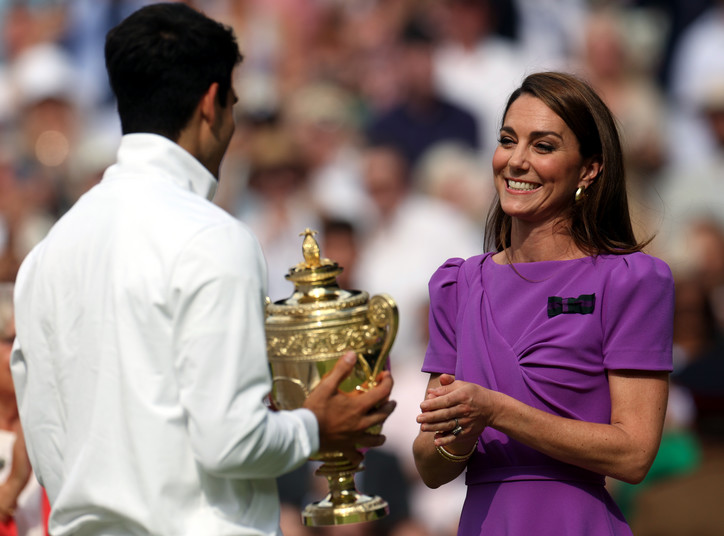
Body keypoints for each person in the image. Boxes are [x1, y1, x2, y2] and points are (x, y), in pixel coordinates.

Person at [9, 4, 394, 536]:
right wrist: (316, 427)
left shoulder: (45, 256)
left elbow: (50, 446)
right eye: (233, 103)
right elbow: (231, 441)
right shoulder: (214, 238)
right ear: (212, 103)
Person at [412, 71, 674, 535]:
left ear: (589, 169)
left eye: (543, 146)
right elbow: (430, 466)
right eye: (507, 140)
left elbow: (633, 455)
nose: (516, 160)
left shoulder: (631, 280)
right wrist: (461, 434)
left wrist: (494, 411)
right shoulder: (459, 284)